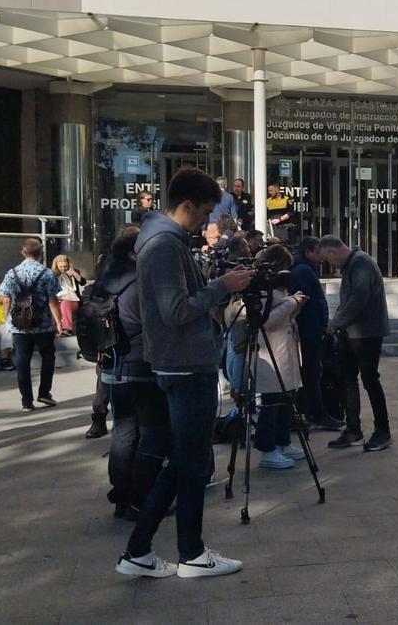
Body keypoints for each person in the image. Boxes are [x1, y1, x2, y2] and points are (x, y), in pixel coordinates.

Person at [115, 167, 254, 580]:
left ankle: (139, 550)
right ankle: (190, 553)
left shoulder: (162, 240)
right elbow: (176, 310)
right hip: (185, 365)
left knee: (184, 460)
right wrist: (222, 286)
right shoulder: (163, 244)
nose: (207, 221)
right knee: (190, 463)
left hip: (181, 362)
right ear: (187, 205)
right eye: (205, 212)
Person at [94, 227, 171, 519]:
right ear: (133, 252)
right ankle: (142, 498)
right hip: (141, 365)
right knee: (153, 434)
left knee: (123, 433)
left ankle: (122, 496)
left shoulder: (104, 278)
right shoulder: (141, 280)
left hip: (111, 367)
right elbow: (161, 320)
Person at [229, 245, 310, 469]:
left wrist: (295, 304)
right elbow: (264, 320)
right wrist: (292, 302)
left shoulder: (276, 286)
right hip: (270, 349)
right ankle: (267, 448)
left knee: (285, 399)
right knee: (271, 401)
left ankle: (283, 442)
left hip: (283, 348)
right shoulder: (263, 287)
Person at [318, 235, 393, 452]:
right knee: (347, 379)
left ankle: (382, 431)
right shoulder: (353, 264)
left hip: (366, 333)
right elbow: (349, 301)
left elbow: (358, 299)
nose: (331, 265)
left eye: (328, 260)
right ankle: (353, 429)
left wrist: (336, 322)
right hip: (351, 332)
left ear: (333, 252)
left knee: (370, 380)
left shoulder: (361, 263)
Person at [0, 238, 63, 412]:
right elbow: (52, 300)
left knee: (22, 360)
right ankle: (44, 392)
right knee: (48, 356)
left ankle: (26, 401)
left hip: (19, 325)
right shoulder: (48, 273)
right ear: (41, 253)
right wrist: (58, 321)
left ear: (23, 252)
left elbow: (5, 298)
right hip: (44, 324)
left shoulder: (12, 273)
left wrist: (6, 318)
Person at [291, 237, 340, 430]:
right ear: (309, 252)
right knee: (311, 374)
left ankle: (312, 412)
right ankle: (314, 413)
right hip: (308, 332)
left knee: (312, 373)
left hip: (311, 330)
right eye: (319, 252)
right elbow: (300, 302)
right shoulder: (302, 270)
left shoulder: (305, 269)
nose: (322, 258)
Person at [52, 254, 84, 337]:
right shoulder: (52, 274)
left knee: (65, 304)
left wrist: (74, 274)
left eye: (65, 266)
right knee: (53, 305)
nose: (63, 269)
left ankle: (67, 329)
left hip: (73, 300)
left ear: (69, 265)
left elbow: (83, 282)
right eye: (60, 267)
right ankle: (55, 329)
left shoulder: (74, 271)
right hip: (57, 299)